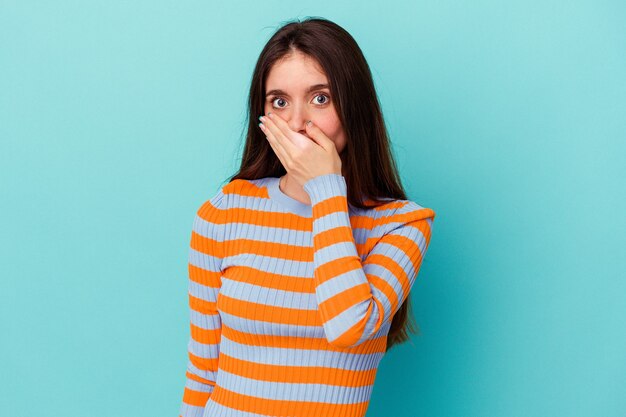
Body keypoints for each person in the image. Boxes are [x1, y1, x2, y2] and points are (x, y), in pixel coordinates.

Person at [179, 17, 436, 417]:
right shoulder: (223, 213)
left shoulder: (402, 226)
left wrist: (326, 190)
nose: (297, 123)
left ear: (355, 106)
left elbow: (349, 327)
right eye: (278, 102)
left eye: (320, 98)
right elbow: (202, 371)